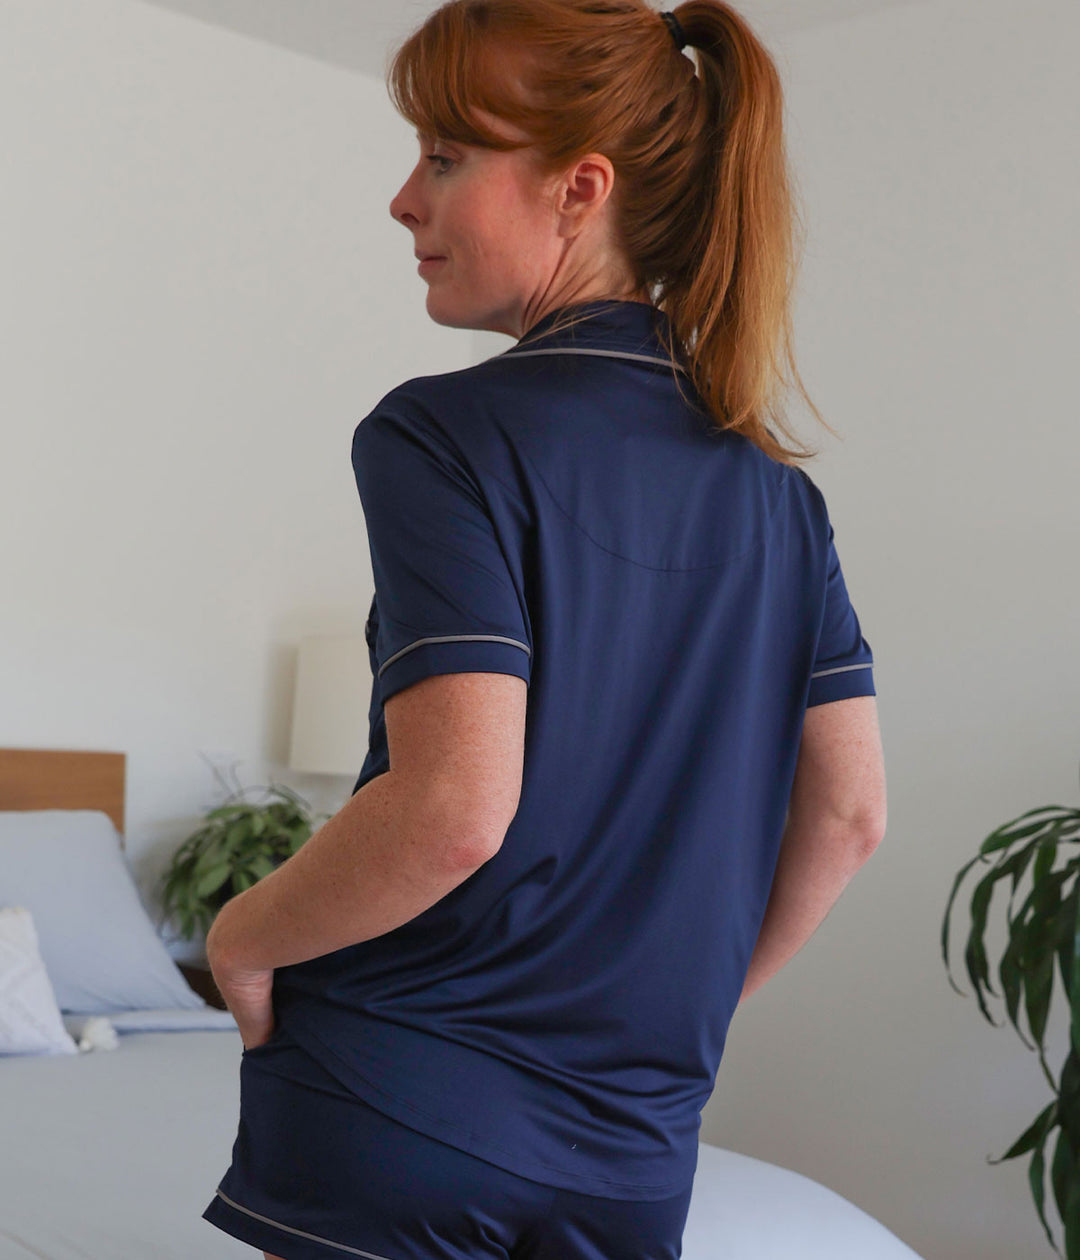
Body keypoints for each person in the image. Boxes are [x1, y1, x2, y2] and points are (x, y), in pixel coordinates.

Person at [202, 1, 887, 1257]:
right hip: (635, 1147)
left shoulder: (439, 434)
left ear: (581, 189)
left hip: (398, 1104)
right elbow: (850, 817)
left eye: (444, 157)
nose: (403, 201)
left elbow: (454, 809)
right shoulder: (782, 501)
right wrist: (665, 1026)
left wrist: (239, 937)